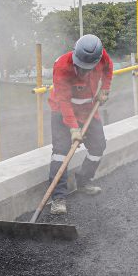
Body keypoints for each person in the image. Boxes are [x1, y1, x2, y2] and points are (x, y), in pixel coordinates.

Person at [47, 34, 113, 214]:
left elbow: (108, 68)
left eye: (87, 68)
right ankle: (58, 198)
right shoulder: (62, 66)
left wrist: (105, 89)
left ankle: (83, 181)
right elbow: (63, 101)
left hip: (88, 109)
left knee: (98, 146)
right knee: (61, 152)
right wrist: (73, 128)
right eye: (80, 67)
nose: (83, 72)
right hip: (62, 111)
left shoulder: (102, 56)